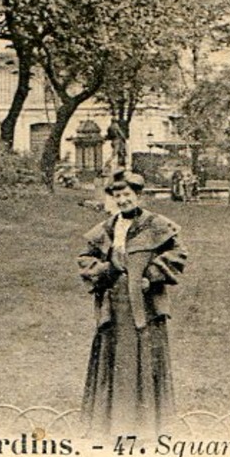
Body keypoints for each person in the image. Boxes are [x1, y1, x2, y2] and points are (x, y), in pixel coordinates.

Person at [78, 169, 188, 436]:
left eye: (127, 194)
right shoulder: (107, 228)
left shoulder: (157, 224)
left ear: (138, 195)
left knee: (144, 358)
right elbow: (85, 259)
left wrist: (151, 276)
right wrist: (104, 270)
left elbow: (177, 254)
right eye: (118, 196)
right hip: (115, 305)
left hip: (146, 307)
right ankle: (111, 422)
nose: (123, 200)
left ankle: (147, 424)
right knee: (114, 358)